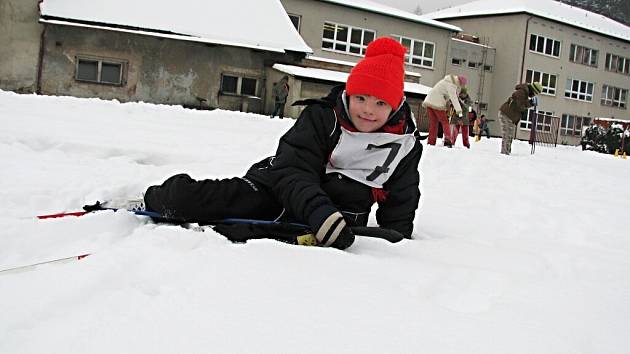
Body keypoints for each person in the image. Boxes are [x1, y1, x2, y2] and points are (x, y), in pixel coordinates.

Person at [141, 37, 422, 250]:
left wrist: (395, 238)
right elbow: (294, 169)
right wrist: (319, 212)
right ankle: (161, 196)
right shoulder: (323, 117)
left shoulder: (403, 143)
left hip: (333, 223)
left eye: (380, 102)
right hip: (277, 190)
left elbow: (402, 193)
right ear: (348, 94)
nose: (367, 110)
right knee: (202, 202)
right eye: (360, 98)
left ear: (395, 106)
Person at [422, 74, 467, 147]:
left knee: (434, 123)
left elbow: (446, 97)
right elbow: (454, 98)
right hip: (437, 102)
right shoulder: (451, 85)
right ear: (460, 82)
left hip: (429, 101)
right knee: (445, 122)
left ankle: (431, 142)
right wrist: (459, 112)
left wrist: (447, 108)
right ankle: (448, 140)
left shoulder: (445, 81)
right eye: (461, 85)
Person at [498, 82, 542, 155]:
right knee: (507, 134)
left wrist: (530, 103)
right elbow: (520, 106)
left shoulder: (524, 93)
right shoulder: (521, 92)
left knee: (509, 135)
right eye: (534, 93)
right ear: (533, 90)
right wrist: (531, 103)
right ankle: (505, 153)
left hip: (509, 115)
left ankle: (506, 152)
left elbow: (521, 104)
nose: (533, 95)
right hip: (506, 114)